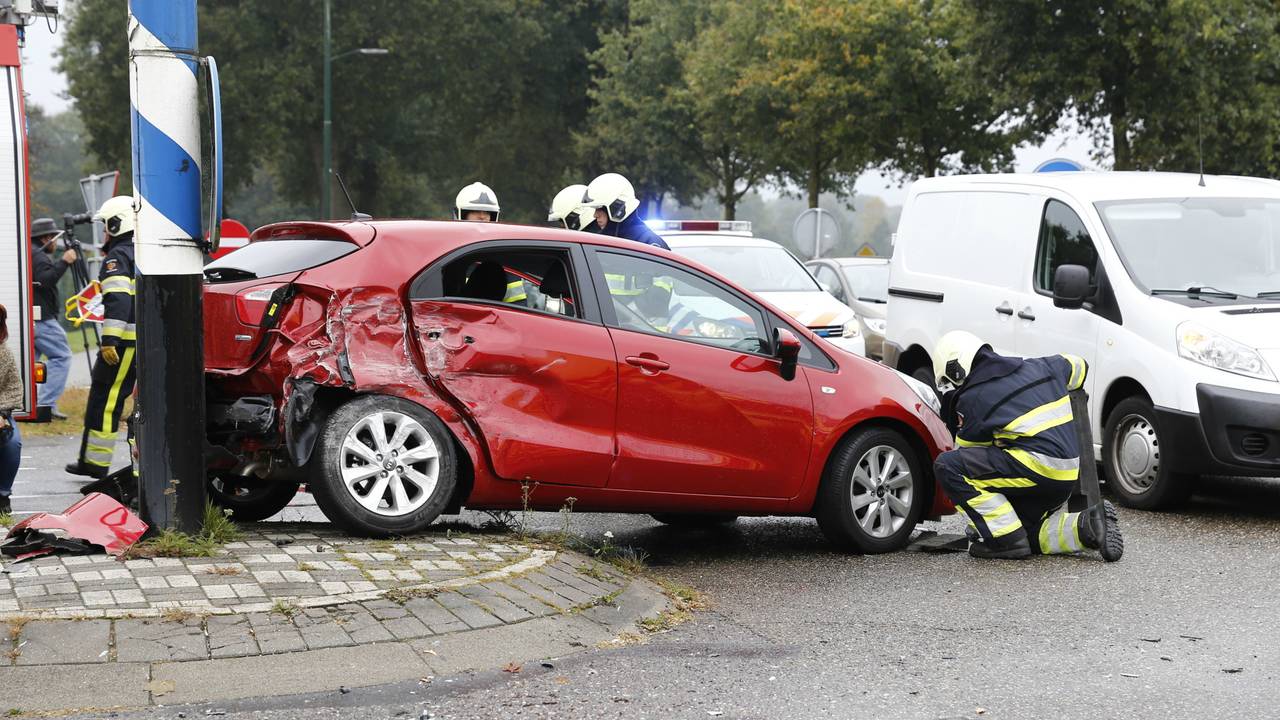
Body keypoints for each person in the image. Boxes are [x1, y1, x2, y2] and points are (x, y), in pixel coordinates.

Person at [931, 330, 1123, 561]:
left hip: (1035, 471)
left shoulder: (973, 399)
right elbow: (1079, 366)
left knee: (948, 467)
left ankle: (1004, 541)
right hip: (1064, 477)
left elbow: (967, 457)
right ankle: (1088, 526)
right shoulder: (1045, 366)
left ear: (956, 371)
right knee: (1022, 529)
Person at [66, 196, 138, 481]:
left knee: (106, 400)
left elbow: (119, 300)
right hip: (137, 343)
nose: (104, 233)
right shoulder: (140, 252)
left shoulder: (118, 257)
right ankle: (93, 462)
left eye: (107, 226)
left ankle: (95, 464)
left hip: (123, 344)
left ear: (117, 224)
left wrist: (109, 340)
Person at [28, 217, 77, 421]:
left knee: (31, 364)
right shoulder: (38, 256)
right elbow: (46, 280)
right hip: (42, 319)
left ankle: (29, 406)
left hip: (32, 318)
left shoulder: (29, 253)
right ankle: (45, 405)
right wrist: (65, 262)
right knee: (62, 356)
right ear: (48, 238)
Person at [581, 173, 669, 249]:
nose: (595, 215)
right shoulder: (607, 242)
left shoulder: (650, 243)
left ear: (617, 208)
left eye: (599, 208)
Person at [0, 304, 22, 514]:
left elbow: (14, 389)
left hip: (0, 412)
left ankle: (2, 495)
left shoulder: (4, 354)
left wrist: (1, 413)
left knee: (12, 443)